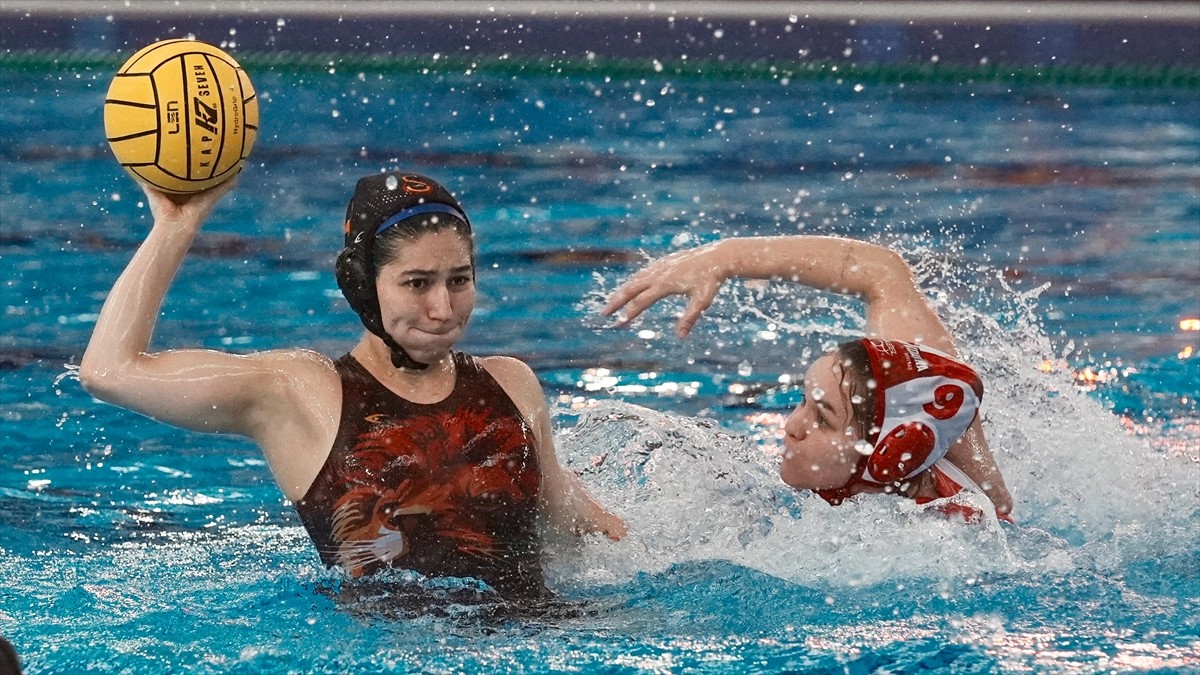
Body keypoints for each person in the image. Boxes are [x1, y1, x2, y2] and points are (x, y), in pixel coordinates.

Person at [80, 171, 626, 598]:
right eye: (417, 283)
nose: (443, 308)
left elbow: (570, 524)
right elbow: (110, 371)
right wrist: (176, 226)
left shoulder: (511, 385)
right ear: (362, 284)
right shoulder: (298, 392)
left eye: (459, 281)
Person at [602, 235, 1013, 522]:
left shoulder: (940, 540)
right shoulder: (932, 404)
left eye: (823, 418)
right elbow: (883, 272)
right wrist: (722, 258)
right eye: (803, 401)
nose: (792, 427)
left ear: (889, 457)